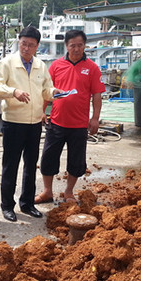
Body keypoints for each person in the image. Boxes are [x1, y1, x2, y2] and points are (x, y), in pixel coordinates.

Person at [0, 25, 57, 222]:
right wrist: (14, 92)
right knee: (10, 165)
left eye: (30, 45)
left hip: (35, 122)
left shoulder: (40, 65)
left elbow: (46, 89)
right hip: (13, 121)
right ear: (18, 42)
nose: (26, 48)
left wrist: (56, 93)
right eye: (23, 44)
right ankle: (7, 205)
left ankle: (27, 203)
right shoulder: (7, 63)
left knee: (30, 164)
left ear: (37, 46)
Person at [35, 30, 105, 204]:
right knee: (48, 158)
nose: (76, 49)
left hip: (80, 124)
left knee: (76, 161)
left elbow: (97, 95)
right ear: (66, 46)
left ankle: (68, 192)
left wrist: (95, 118)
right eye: (72, 45)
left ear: (84, 45)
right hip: (56, 121)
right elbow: (47, 91)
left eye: (80, 45)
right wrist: (42, 111)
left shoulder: (92, 68)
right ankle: (47, 192)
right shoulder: (56, 65)